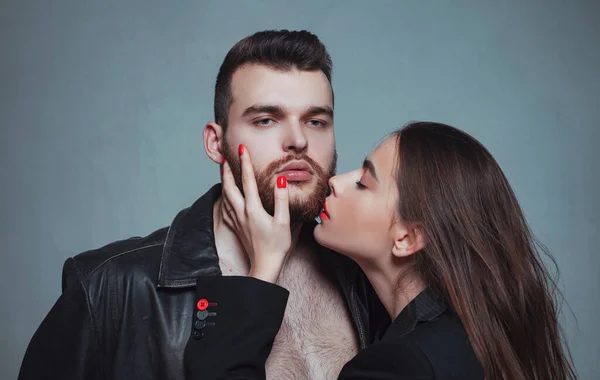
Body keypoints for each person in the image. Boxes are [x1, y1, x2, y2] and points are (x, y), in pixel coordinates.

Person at [18, 30, 386, 380]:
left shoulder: (365, 277)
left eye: (316, 120)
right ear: (215, 142)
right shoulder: (109, 291)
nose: (298, 140)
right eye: (266, 119)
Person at [185, 122, 577, 379]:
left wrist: (263, 268)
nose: (337, 182)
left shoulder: (401, 366)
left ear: (407, 237)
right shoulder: (472, 337)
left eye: (365, 182)